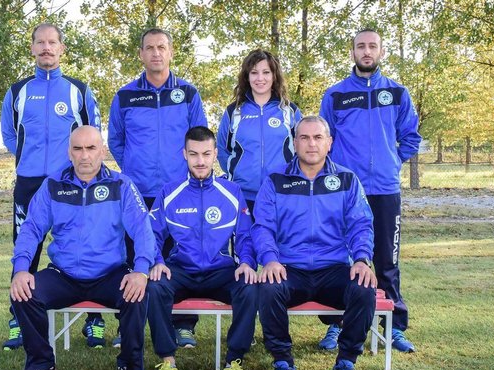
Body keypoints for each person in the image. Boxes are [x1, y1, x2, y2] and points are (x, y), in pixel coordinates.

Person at [8, 126, 154, 370]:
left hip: (110, 274)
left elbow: (143, 229)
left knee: (137, 293)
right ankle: (41, 363)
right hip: (64, 275)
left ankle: (130, 368)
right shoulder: (52, 185)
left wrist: (141, 270)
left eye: (91, 148)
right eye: (78, 149)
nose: (84, 155)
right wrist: (21, 269)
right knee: (23, 293)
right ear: (69, 152)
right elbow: (31, 229)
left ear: (102, 151)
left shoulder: (121, 185)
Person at [92, 27, 207, 349]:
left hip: (178, 191)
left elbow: (199, 139)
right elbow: (116, 140)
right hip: (138, 191)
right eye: (150, 48)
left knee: (180, 258)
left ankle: (183, 325)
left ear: (171, 52)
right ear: (141, 54)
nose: (156, 53)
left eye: (161, 47)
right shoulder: (125, 96)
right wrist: (133, 170)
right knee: (134, 257)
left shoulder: (188, 93)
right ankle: (128, 324)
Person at [254, 116, 376, 370]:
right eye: (305, 138)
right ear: (294, 143)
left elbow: (361, 224)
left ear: (329, 142)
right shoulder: (276, 181)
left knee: (363, 286)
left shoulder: (346, 180)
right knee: (268, 287)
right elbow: (262, 227)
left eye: (318, 137)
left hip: (333, 268)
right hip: (290, 268)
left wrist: (361, 259)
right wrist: (270, 259)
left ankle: (346, 364)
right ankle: (283, 364)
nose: (311, 144)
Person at [318, 28, 421, 353]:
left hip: (385, 191)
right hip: (346, 192)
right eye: (360, 46)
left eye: (372, 46)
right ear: (352, 52)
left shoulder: (398, 93)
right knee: (343, 261)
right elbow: (323, 141)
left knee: (386, 262)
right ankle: (337, 324)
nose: (366, 51)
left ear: (381, 51)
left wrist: (391, 163)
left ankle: (394, 327)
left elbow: (411, 137)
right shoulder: (335, 95)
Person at [0, 22, 100, 351]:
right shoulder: (17, 91)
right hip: (29, 184)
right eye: (40, 42)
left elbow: (93, 135)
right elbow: (10, 135)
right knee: (25, 252)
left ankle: (95, 319)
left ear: (61, 49)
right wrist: (28, 160)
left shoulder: (78, 91)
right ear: (32, 48)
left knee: (86, 247)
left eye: (52, 42)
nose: (46, 47)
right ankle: (19, 319)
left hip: (70, 183)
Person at [146, 126, 259, 370]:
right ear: (184, 154)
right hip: (181, 270)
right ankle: (168, 362)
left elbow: (245, 235)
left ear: (215, 154)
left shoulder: (232, 192)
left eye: (206, 154)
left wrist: (246, 262)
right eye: (194, 154)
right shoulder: (169, 192)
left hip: (221, 271)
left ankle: (234, 362)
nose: (200, 161)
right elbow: (151, 234)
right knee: (154, 287)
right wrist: (157, 261)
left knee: (249, 287)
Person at [217, 49, 302, 211]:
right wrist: (238, 174)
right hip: (242, 196)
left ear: (274, 76)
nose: (260, 78)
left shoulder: (289, 111)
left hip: (281, 193)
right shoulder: (234, 112)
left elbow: (302, 149)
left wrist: (291, 178)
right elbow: (222, 150)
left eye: (266, 72)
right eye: (254, 73)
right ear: (247, 77)